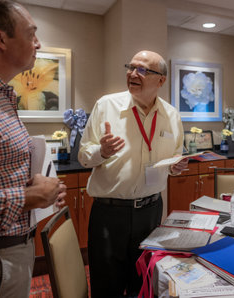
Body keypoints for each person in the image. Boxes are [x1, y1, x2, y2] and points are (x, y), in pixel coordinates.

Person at [0, 1, 67, 297]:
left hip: (4, 258)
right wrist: (28, 196)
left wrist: (44, 190)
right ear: (1, 39)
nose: (38, 43)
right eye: (31, 34)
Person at [78, 50, 188, 297]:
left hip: (150, 212)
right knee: (107, 286)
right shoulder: (106, 106)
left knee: (144, 283)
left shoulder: (171, 115)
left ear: (161, 80)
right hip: (109, 214)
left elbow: (174, 158)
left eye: (142, 70)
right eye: (131, 67)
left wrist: (175, 167)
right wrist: (102, 151)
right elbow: (84, 157)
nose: (132, 74)